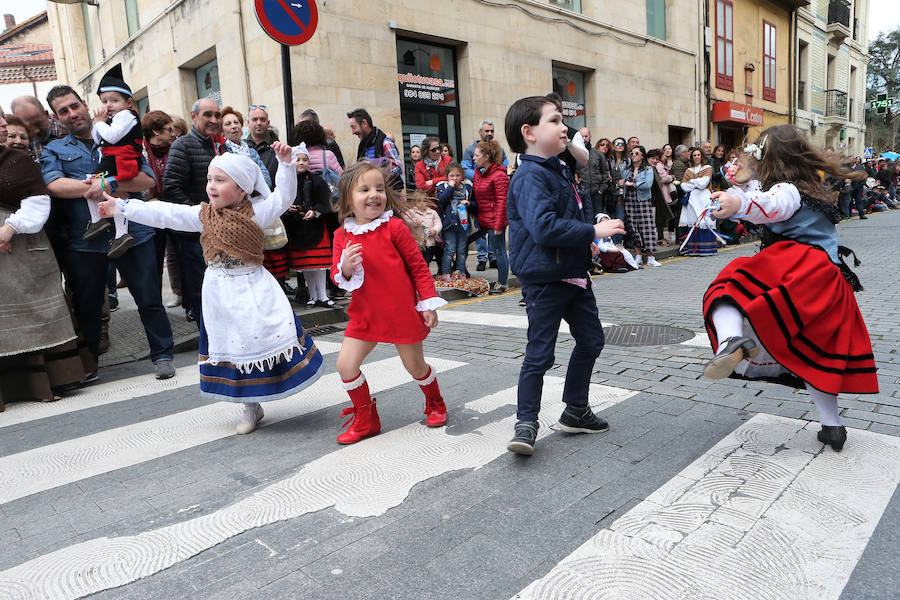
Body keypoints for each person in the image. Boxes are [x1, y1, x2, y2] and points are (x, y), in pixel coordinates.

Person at [100, 145, 325, 434]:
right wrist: (122, 207)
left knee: (256, 341)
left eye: (220, 180)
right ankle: (250, 407)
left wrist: (284, 164)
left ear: (242, 189)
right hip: (219, 293)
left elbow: (284, 196)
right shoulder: (202, 215)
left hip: (253, 288)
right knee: (231, 346)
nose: (211, 186)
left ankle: (259, 396)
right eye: (210, 179)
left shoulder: (258, 213)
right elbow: (166, 213)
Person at [703, 124, 878, 452]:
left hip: (799, 271)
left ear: (772, 157)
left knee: (728, 285)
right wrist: (739, 185)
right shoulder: (809, 187)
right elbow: (760, 193)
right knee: (814, 354)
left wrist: (737, 201)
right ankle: (833, 426)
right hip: (826, 284)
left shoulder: (786, 190)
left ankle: (729, 342)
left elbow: (771, 204)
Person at [503, 95, 625, 455]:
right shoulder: (528, 176)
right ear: (529, 132)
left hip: (573, 272)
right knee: (539, 355)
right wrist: (593, 233)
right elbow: (543, 228)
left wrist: (586, 236)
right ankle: (525, 422)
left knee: (591, 340)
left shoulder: (557, 168)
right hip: (544, 278)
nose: (563, 128)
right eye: (555, 121)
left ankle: (575, 410)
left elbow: (568, 213)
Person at [42, 85, 175, 380]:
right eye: (63, 111)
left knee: (149, 298)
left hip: (134, 235)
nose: (72, 113)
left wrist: (106, 186)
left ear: (86, 106)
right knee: (87, 305)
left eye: (74, 106)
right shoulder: (55, 150)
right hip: (85, 241)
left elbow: (146, 181)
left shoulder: (122, 136)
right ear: (57, 117)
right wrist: (95, 186)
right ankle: (90, 365)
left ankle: (163, 354)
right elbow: (54, 185)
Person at [330, 161, 448, 444]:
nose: (374, 194)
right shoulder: (340, 236)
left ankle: (435, 402)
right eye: (365, 189)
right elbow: (338, 276)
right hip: (365, 315)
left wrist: (428, 303)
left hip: (400, 313)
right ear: (348, 199)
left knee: (415, 367)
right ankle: (366, 418)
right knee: (346, 365)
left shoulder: (394, 227)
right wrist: (345, 265)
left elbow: (418, 266)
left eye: (379, 189)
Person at [0, 135, 94, 409]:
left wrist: (11, 227)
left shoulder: (15, 160)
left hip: (22, 246)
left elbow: (38, 200)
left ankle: (48, 381)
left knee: (36, 311)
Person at [162, 97, 228, 321]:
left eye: (217, 115)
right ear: (193, 117)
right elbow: (171, 187)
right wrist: (201, 217)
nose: (214, 119)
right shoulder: (183, 145)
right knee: (202, 290)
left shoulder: (222, 146)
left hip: (221, 231)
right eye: (207, 115)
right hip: (194, 234)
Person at [83, 65, 144, 258]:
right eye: (104, 101)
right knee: (92, 186)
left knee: (111, 194)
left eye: (114, 100)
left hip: (122, 160)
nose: (108, 105)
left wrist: (100, 123)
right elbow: (97, 138)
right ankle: (100, 223)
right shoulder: (112, 118)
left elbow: (112, 137)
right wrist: (98, 123)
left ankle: (119, 232)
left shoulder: (126, 116)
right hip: (113, 160)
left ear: (128, 103)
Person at [278, 144, 334, 307]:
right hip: (298, 229)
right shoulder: (287, 181)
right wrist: (289, 209)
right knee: (307, 265)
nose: (301, 162)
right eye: (297, 159)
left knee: (320, 265)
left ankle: (323, 295)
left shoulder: (317, 180)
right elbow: (281, 201)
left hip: (315, 227)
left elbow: (326, 201)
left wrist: (316, 211)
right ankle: (313, 295)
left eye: (304, 159)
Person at [141, 110, 182, 307]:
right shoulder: (140, 154)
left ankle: (188, 300)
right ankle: (154, 305)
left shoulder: (176, 150)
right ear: (156, 132)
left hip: (175, 211)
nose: (173, 133)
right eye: (169, 129)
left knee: (181, 257)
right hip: (151, 215)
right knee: (153, 263)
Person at [472, 140, 510, 293]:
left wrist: (499, 225)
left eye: (476, 155)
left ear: (486, 156)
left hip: (496, 220)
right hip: (484, 218)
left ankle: (502, 283)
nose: (474, 158)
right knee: (496, 249)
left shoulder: (499, 175)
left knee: (499, 250)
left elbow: (502, 202)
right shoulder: (478, 173)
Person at [620, 145, 661, 267]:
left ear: (642, 155)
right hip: (629, 200)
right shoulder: (627, 169)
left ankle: (650, 256)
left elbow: (647, 184)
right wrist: (625, 184)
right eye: (632, 153)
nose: (633, 156)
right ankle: (638, 255)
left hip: (643, 200)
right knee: (633, 227)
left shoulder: (648, 169)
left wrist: (633, 183)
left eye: (636, 153)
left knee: (647, 227)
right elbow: (623, 183)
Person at [436, 162, 475, 282]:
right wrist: (451, 187)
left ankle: (461, 272)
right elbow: (442, 201)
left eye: (458, 175)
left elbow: (475, 203)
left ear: (462, 176)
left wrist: (469, 204)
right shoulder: (442, 187)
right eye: (452, 176)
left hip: (463, 224)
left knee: (462, 250)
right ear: (447, 176)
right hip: (449, 224)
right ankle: (446, 273)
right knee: (450, 250)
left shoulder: (467, 187)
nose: (455, 178)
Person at [347, 107, 403, 188]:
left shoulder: (385, 142)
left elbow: (398, 168)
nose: (353, 132)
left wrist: (375, 170)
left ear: (364, 123)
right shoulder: (363, 145)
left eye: (353, 127)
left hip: (389, 193)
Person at [220, 107, 272, 189]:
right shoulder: (221, 151)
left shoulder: (252, 152)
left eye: (236, 122)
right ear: (221, 130)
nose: (234, 126)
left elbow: (266, 179)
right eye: (228, 124)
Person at [679, 147, 717, 256]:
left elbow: (703, 184)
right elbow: (683, 186)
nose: (696, 157)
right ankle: (692, 249)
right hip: (691, 200)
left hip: (704, 199)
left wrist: (691, 181)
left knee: (704, 221)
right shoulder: (688, 170)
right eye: (694, 155)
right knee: (693, 222)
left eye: (698, 155)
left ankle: (706, 249)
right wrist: (695, 183)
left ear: (702, 156)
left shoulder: (707, 168)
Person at [578, 127, 610, 222]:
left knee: (598, 218)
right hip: (582, 193)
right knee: (584, 219)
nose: (584, 138)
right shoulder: (575, 153)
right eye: (581, 136)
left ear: (590, 137)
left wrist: (601, 189)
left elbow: (605, 172)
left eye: (586, 136)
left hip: (597, 193)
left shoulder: (598, 154)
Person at [244, 105, 278, 184]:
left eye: (262, 119)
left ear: (268, 123)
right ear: (248, 123)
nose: (259, 123)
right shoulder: (241, 149)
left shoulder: (278, 149)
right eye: (255, 119)